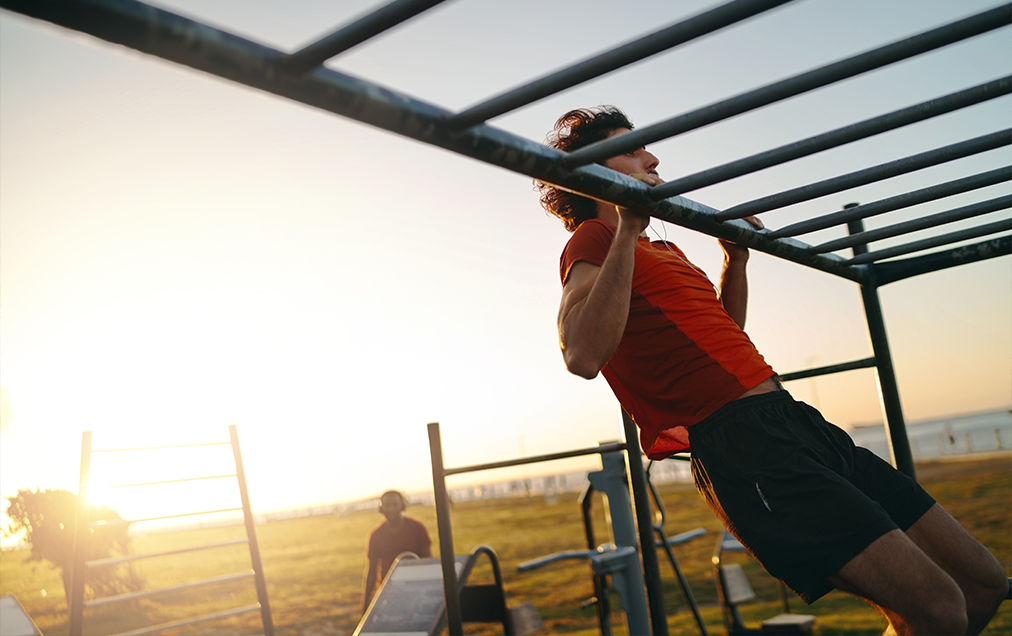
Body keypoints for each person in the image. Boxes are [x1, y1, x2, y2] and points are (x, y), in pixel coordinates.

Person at [540, 106, 1008, 635]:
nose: (652, 156)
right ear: (593, 171)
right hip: (745, 445)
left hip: (793, 419)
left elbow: (722, 334)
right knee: (940, 606)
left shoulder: (662, 248)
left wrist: (734, 263)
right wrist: (624, 228)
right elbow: (581, 355)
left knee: (982, 584)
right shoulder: (593, 241)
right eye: (632, 149)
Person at [361, 490, 432, 613]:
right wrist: (365, 605)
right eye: (387, 505)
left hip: (416, 588)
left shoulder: (417, 528)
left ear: (403, 505)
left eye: (395, 504)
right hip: (388, 591)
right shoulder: (375, 535)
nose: (391, 509)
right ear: (381, 508)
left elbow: (428, 562)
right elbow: (371, 571)